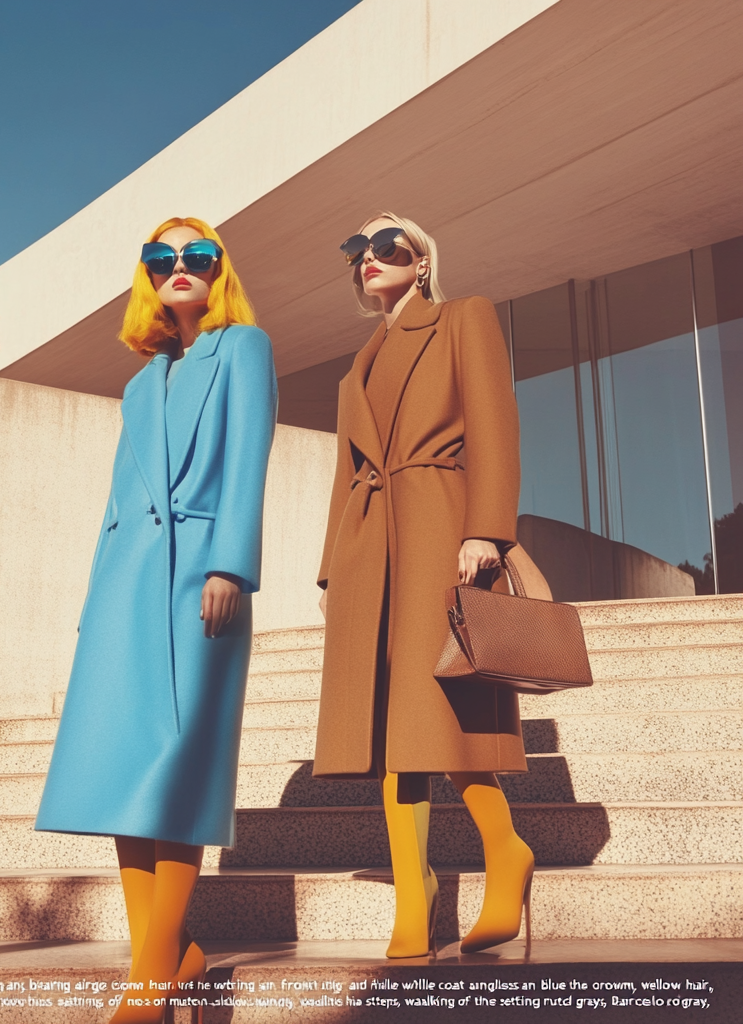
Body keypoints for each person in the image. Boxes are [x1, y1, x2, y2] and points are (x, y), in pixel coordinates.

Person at [35, 216, 277, 1022]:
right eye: (162, 258)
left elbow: (249, 454)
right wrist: (94, 607)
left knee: (179, 761)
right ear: (147, 277)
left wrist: (231, 564)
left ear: (218, 272)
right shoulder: (139, 384)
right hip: (126, 585)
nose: (180, 267)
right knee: (127, 769)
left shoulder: (243, 347)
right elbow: (116, 502)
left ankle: (148, 985)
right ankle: (165, 963)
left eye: (197, 256)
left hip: (203, 574)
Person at [314, 212, 535, 958]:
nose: (369, 258)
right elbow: (347, 474)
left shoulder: (463, 319)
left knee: (437, 706)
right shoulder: (358, 365)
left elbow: (495, 424)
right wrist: (329, 570)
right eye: (358, 250)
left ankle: (504, 849)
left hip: (441, 524)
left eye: (386, 245)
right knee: (386, 728)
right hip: (369, 545)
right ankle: (416, 894)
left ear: (423, 260)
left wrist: (486, 527)